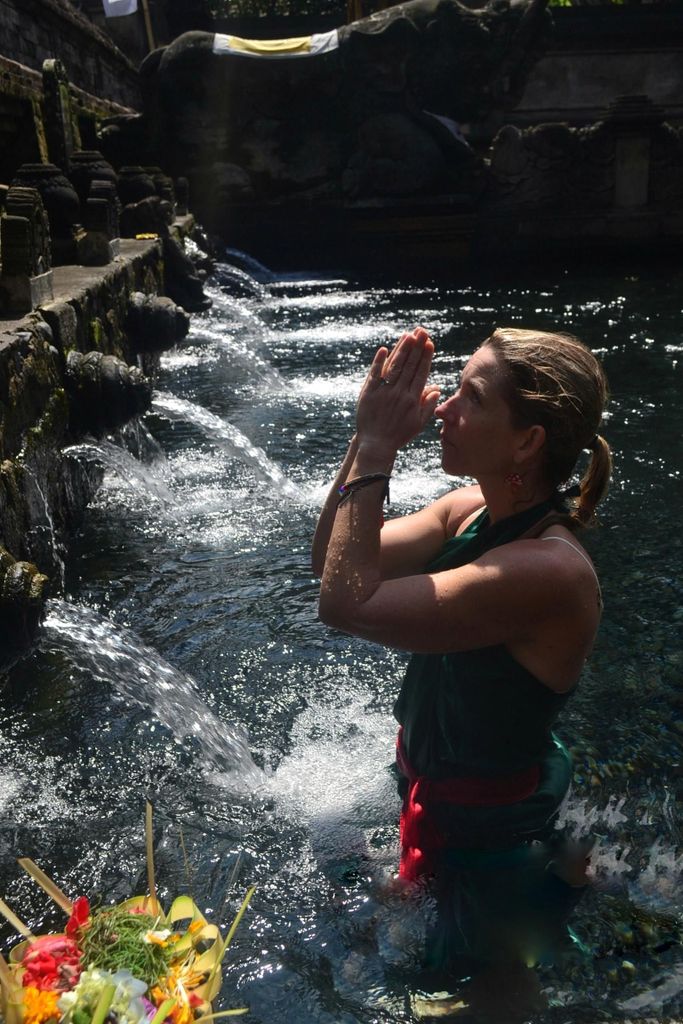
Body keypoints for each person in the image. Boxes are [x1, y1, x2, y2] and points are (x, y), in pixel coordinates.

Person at [311, 326, 612, 1001]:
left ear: (526, 441)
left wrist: (379, 446)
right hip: (438, 793)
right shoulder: (466, 510)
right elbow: (330, 563)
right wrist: (363, 440)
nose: (442, 407)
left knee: (482, 992)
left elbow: (344, 603)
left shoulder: (545, 570)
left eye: (470, 398)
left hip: (491, 841)